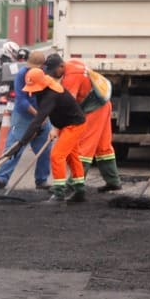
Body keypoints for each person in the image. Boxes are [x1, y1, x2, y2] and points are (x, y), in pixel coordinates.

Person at [50, 52, 123, 192]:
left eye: (54, 71)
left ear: (61, 66)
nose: (53, 75)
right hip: (103, 104)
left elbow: (68, 106)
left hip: (94, 109)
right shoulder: (72, 63)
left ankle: (73, 184)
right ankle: (113, 181)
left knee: (84, 145)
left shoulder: (71, 77)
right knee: (103, 146)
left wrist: (56, 128)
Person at [21, 65, 90, 202]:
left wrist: (22, 142)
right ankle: (80, 190)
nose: (33, 92)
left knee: (57, 155)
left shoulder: (51, 95)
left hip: (74, 125)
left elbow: (39, 119)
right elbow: (53, 113)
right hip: (65, 125)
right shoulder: (45, 85)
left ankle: (59, 192)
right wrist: (55, 128)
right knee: (72, 156)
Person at [0, 49, 51, 191]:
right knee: (14, 147)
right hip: (23, 117)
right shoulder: (21, 75)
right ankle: (2, 177)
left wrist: (44, 116)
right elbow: (22, 101)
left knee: (44, 150)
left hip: (42, 117)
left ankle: (41, 180)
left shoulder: (47, 77)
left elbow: (51, 98)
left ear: (43, 67)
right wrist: (37, 115)